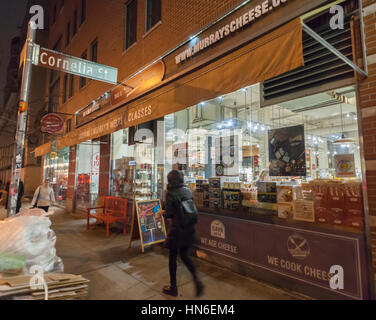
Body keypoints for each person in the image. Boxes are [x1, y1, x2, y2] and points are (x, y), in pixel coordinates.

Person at [163, 170, 204, 297]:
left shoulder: (170, 193)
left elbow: (169, 213)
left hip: (177, 230)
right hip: (189, 229)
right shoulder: (187, 190)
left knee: (172, 257)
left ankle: (173, 287)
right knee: (185, 256)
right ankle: (197, 280)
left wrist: (162, 212)